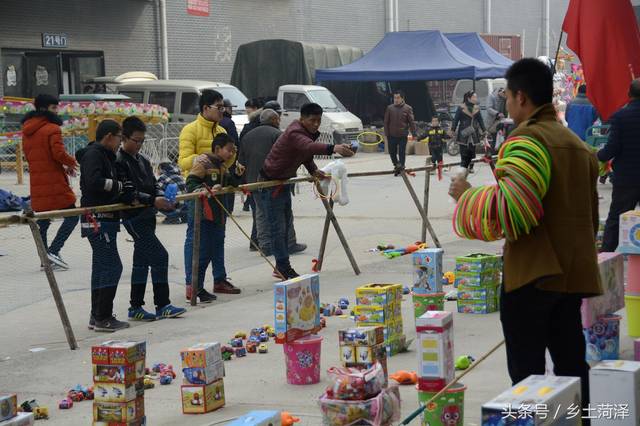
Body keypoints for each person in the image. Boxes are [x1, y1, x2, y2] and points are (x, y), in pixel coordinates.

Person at [449, 58, 601, 412]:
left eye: (507, 97)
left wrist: (465, 196)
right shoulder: (577, 146)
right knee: (573, 369)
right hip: (570, 275)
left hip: (532, 276)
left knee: (527, 378)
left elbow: (515, 211)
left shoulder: (527, 140)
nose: (505, 104)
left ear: (520, 97)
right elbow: (590, 217)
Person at [258, 103, 354, 279]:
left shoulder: (306, 133)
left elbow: (305, 155)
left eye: (318, 120)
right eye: (312, 120)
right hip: (270, 184)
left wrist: (313, 170)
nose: (316, 124)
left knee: (285, 225)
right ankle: (283, 267)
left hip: (284, 182)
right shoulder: (295, 132)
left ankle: (281, 265)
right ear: (302, 119)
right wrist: (334, 148)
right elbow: (308, 147)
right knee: (277, 228)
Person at [116, 117, 187, 321]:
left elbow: (152, 184)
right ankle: (162, 304)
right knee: (160, 256)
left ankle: (135, 306)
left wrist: (160, 197)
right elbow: (129, 193)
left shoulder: (143, 160)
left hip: (148, 215)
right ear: (124, 138)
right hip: (133, 217)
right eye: (135, 141)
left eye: (141, 141)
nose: (138, 145)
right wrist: (152, 200)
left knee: (141, 261)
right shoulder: (120, 162)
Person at [79, 119, 136, 332]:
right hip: (97, 218)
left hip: (107, 218)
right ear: (109, 136)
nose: (120, 142)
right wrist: (119, 186)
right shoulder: (94, 154)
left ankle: (97, 315)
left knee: (101, 266)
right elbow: (94, 182)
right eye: (119, 138)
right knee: (113, 266)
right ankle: (103, 316)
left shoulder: (108, 156)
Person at [178, 89, 232, 300]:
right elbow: (183, 161)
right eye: (218, 107)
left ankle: (219, 278)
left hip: (219, 191)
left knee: (218, 237)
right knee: (196, 239)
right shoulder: (190, 130)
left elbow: (228, 159)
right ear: (205, 108)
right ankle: (192, 283)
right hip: (198, 193)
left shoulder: (221, 129)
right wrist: (205, 159)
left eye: (223, 108)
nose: (222, 111)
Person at [21, 94, 79, 270]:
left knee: (44, 221)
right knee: (72, 216)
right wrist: (72, 162)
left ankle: (44, 258)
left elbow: (32, 157)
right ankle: (53, 251)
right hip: (54, 182)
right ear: (45, 108)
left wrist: (62, 166)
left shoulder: (26, 130)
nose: (57, 111)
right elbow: (58, 154)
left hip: (37, 182)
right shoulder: (52, 128)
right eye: (54, 108)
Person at [239, 109, 306, 257]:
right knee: (284, 213)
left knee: (260, 214)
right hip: (273, 181)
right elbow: (286, 157)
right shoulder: (278, 135)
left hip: (253, 182)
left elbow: (241, 161)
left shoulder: (247, 136)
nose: (280, 121)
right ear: (275, 120)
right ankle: (289, 243)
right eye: (278, 119)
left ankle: (265, 246)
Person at [186, 133, 243, 301]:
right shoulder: (202, 162)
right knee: (203, 251)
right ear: (217, 148)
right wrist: (205, 190)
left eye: (233, 151)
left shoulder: (222, 166)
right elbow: (191, 183)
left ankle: (217, 281)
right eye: (229, 150)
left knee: (215, 247)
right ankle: (196, 287)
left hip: (218, 215)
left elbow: (232, 182)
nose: (231, 154)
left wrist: (238, 176)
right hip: (203, 215)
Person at [598, 79, 640, 252]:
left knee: (617, 218)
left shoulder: (620, 117)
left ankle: (607, 255)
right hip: (628, 177)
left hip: (626, 179)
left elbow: (611, 149)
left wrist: (597, 155)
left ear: (629, 95)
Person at [383, 90, 416, 175]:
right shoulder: (390, 108)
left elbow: (412, 122)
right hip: (391, 135)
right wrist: (386, 134)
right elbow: (386, 122)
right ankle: (397, 165)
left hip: (402, 135)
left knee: (402, 152)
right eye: (394, 98)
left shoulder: (408, 108)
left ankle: (401, 168)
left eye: (398, 98)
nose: (396, 100)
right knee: (392, 152)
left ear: (402, 98)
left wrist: (414, 134)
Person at [452, 90, 486, 172]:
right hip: (463, 131)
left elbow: (480, 120)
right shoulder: (461, 107)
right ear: (469, 98)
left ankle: (471, 166)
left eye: (476, 97)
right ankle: (463, 166)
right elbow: (456, 119)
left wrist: (484, 130)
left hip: (473, 131)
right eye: (474, 97)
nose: (475, 98)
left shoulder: (476, 108)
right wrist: (453, 129)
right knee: (463, 150)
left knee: (472, 150)